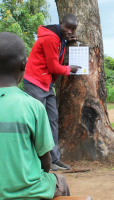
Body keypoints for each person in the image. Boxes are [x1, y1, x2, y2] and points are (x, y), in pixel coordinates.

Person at [0, 32, 70, 200]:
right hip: (31, 190)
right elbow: (46, 161)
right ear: (24, 65)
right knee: (61, 182)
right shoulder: (33, 106)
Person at [23, 14, 81, 171]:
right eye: (67, 27)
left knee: (52, 120)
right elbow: (54, 67)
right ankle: (37, 161)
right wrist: (70, 69)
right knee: (38, 122)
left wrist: (67, 42)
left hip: (47, 83)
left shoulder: (59, 37)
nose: (70, 31)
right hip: (35, 82)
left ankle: (54, 159)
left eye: (73, 29)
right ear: (60, 24)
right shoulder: (51, 38)